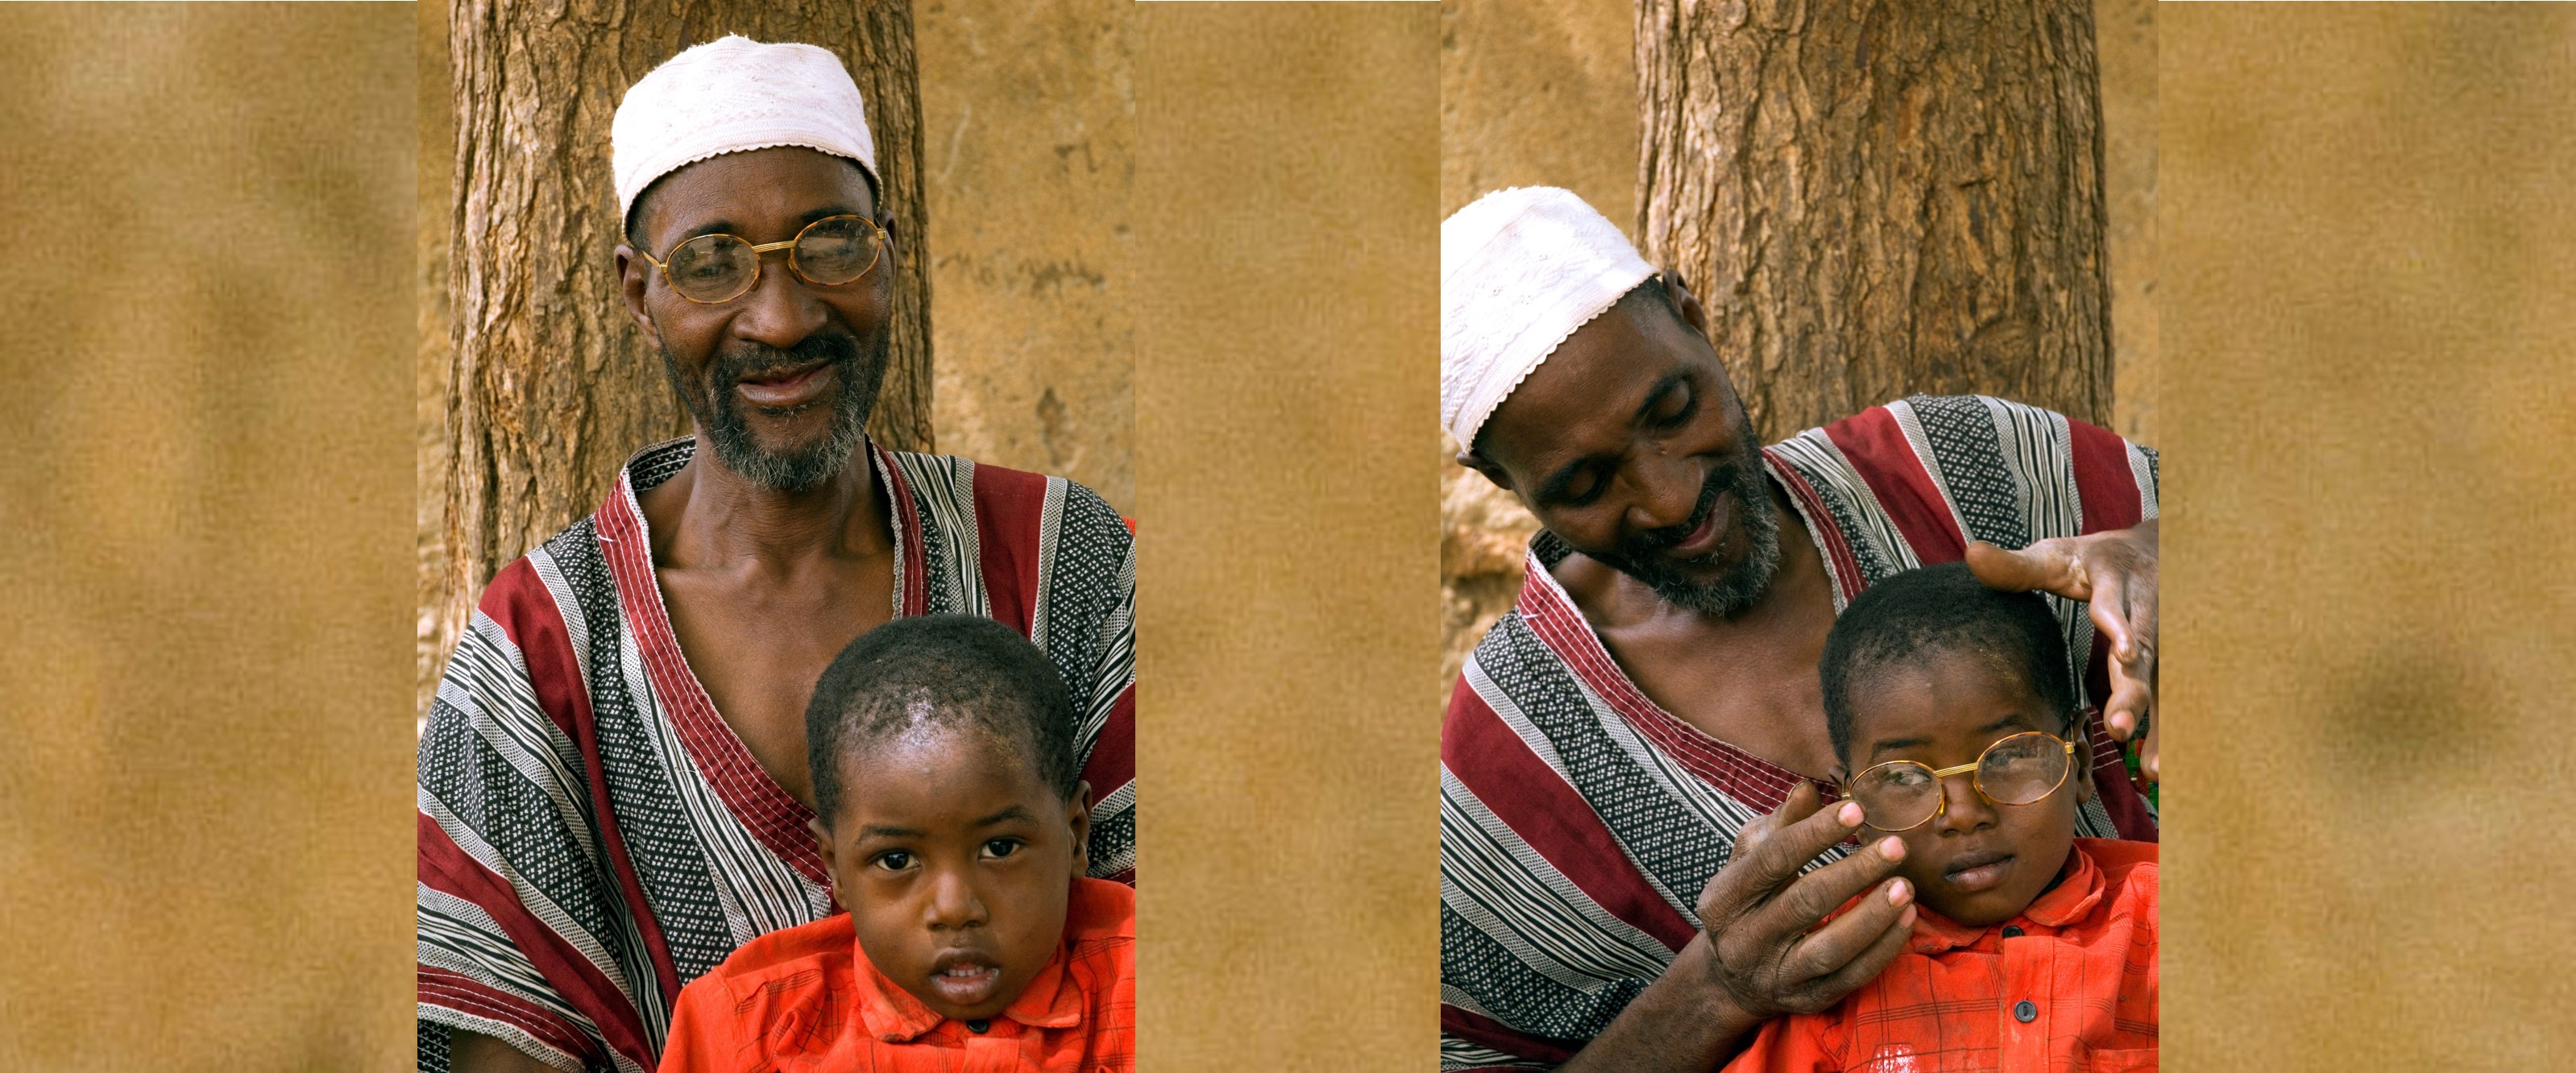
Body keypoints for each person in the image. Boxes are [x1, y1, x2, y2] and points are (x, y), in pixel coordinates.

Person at [417, 38, 1135, 1073]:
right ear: (636, 293)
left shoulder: (1062, 560)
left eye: (829, 245)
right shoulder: (545, 648)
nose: (783, 317)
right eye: (711, 263)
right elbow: (498, 1037)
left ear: (886, 251)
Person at [1437, 187, 2159, 1071]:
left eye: (1671, 413)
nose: (1669, 499)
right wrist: (1715, 994)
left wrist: (2165, 552)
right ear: (1501, 482)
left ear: (1692, 315)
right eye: (1585, 485)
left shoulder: (1962, 474)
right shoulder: (1506, 773)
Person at [1719, 564, 2155, 1071]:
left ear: (2079, 762)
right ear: (1852, 812)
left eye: (2008, 755)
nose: (1965, 815)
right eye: (1905, 777)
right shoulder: (1833, 974)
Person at [655, 615, 1135, 1072]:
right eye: (897, 860)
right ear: (836, 868)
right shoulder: (748, 1027)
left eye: (1001, 848)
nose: (953, 909)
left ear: (1074, 835)